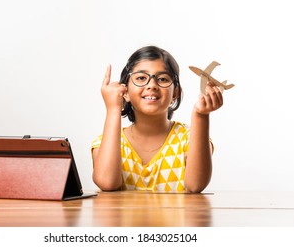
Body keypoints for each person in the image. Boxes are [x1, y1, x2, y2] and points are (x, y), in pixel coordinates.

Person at [91, 46, 223, 193]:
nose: (152, 85)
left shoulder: (190, 139)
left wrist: (201, 115)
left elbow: (195, 185)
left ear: (175, 93)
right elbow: (107, 183)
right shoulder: (105, 143)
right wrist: (113, 108)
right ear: (125, 91)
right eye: (141, 78)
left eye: (162, 79)